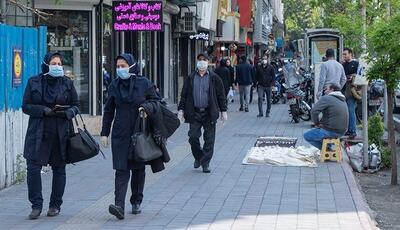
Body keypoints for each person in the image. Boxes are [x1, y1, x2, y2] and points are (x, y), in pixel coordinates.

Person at [100, 53, 160, 220]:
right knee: (121, 169)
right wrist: (105, 133)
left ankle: (136, 200)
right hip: (120, 134)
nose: (120, 69)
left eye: (123, 66)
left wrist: (146, 107)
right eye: (118, 66)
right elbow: (109, 110)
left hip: (139, 132)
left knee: (138, 169)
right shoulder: (114, 85)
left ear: (132, 66)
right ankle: (119, 205)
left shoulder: (144, 83)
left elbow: (156, 102)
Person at [22, 52, 79, 219]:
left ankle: (55, 205)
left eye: (60, 64)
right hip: (38, 132)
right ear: (46, 64)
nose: (57, 66)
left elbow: (76, 106)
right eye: (54, 63)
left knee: (59, 169)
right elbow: (25, 106)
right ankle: (36, 206)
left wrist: (67, 112)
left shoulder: (67, 83)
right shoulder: (34, 82)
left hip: (60, 132)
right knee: (33, 168)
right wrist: (43, 111)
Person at [177, 52, 227, 173]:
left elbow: (221, 95)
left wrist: (223, 110)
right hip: (194, 112)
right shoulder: (191, 77)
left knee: (209, 139)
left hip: (209, 113)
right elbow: (184, 94)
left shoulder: (214, 78)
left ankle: (205, 163)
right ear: (197, 61)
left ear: (208, 61)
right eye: (200, 59)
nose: (202, 62)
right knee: (193, 137)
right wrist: (181, 109)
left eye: (204, 59)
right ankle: (199, 157)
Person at [304, 84, 349, 149]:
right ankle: (327, 151)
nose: (324, 91)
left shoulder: (327, 98)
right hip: (342, 131)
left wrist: (316, 123)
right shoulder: (342, 99)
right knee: (322, 132)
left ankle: (327, 151)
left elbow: (314, 111)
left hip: (331, 131)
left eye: (326, 89)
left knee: (307, 135)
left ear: (332, 90)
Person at [342, 48, 360, 138]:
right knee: (347, 111)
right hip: (344, 90)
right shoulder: (343, 64)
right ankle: (349, 130)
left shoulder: (356, 63)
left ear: (350, 54)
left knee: (351, 110)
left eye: (345, 54)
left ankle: (352, 131)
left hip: (352, 90)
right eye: (343, 54)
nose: (344, 56)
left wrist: (352, 77)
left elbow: (360, 75)